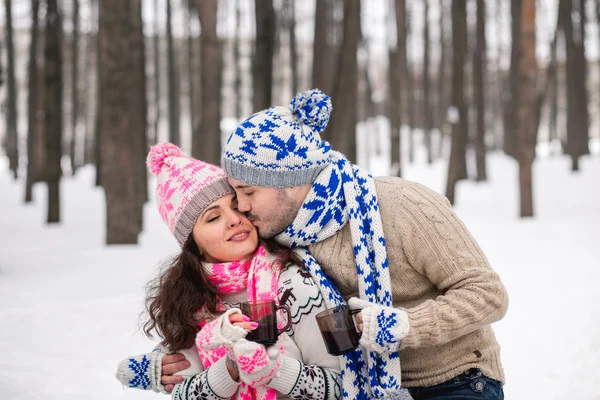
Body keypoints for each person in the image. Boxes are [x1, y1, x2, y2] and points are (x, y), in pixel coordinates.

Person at [215, 89, 507, 400]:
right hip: (360, 388)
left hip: (455, 381)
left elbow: (487, 294)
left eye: (248, 191)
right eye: (236, 194)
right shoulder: (278, 237)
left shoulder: (400, 205)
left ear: (291, 180)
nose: (242, 207)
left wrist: (398, 326)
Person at [115, 143, 341, 399]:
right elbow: (183, 393)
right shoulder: (191, 304)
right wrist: (228, 370)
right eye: (213, 218)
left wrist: (274, 371)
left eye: (236, 205)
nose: (235, 219)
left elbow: (343, 386)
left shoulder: (295, 283)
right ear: (194, 245)